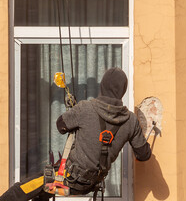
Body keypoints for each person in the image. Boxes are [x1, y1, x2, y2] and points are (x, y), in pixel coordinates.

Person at [0, 67, 151, 201]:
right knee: (43, 194)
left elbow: (61, 126)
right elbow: (144, 155)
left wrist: (74, 111)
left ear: (102, 87)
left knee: (20, 190)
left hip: (67, 182)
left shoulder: (85, 108)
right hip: (89, 186)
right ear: (123, 90)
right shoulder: (131, 121)